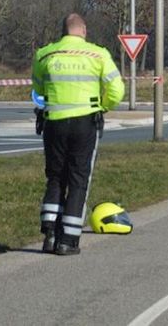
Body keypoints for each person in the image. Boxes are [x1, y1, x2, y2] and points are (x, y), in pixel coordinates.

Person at [32, 14, 124, 255]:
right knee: (78, 179)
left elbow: (39, 87)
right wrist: (103, 106)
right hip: (85, 122)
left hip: (54, 122)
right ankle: (69, 241)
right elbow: (117, 89)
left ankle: (50, 235)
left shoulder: (44, 54)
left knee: (55, 177)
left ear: (63, 31)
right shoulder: (98, 54)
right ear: (83, 30)